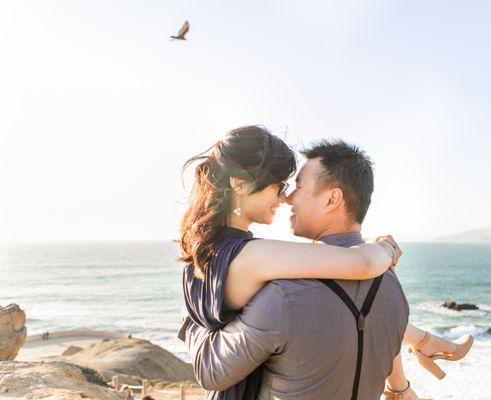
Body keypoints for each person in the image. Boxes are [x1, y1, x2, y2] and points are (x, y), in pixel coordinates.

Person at [179, 128, 472, 399]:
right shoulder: (393, 290)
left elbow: (211, 369)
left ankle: (427, 341)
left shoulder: (276, 290)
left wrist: (191, 307)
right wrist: (384, 248)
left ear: (332, 199)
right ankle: (428, 342)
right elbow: (362, 265)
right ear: (239, 184)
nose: (286, 197)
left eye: (294, 186)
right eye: (279, 185)